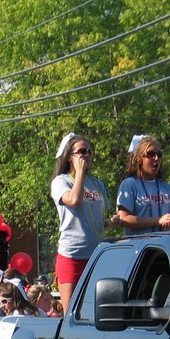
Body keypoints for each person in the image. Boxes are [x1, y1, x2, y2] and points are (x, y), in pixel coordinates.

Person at [51, 133, 109, 313]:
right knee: (72, 313)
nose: (87, 155)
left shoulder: (97, 184)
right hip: (72, 256)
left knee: (95, 311)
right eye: (82, 151)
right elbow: (75, 201)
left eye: (89, 152)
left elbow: (94, 219)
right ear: (70, 156)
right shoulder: (61, 181)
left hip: (95, 255)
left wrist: (111, 222)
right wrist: (80, 174)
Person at [112, 134, 170, 235]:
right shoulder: (130, 184)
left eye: (159, 155)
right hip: (140, 247)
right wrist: (158, 221)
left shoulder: (168, 188)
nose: (156, 158)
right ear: (139, 159)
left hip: (165, 246)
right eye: (151, 154)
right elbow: (123, 219)